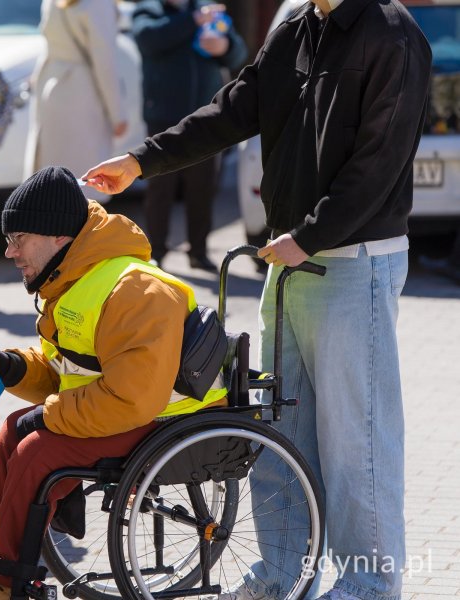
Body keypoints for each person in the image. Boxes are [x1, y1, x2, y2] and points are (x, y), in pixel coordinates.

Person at [83, 1, 432, 598]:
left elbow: (379, 162)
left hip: (354, 264)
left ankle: (369, 588)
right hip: (291, 263)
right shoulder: (296, 27)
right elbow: (230, 111)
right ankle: (278, 579)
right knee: (279, 435)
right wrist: (142, 161)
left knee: (358, 444)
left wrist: (309, 236)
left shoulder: (393, 34)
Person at [0, 166, 227, 600]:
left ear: (58, 237)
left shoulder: (137, 290)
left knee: (37, 450)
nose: (9, 252)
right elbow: (64, 372)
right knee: (12, 430)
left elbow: (132, 399)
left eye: (18, 239)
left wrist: (48, 416)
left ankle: (3, 584)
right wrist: (8, 366)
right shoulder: (72, 278)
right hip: (131, 407)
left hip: (173, 417)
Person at [132, 0, 246, 270]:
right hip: (163, 116)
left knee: (202, 187)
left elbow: (238, 53)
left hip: (205, 117)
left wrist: (225, 47)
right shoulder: (149, 10)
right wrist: (193, 20)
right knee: (160, 188)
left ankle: (198, 251)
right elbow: (148, 39)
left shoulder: (208, 10)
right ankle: (155, 251)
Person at [24, 0, 127, 203]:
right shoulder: (98, 3)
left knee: (52, 189)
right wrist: (118, 114)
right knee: (84, 190)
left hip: (51, 88)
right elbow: (104, 62)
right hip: (83, 94)